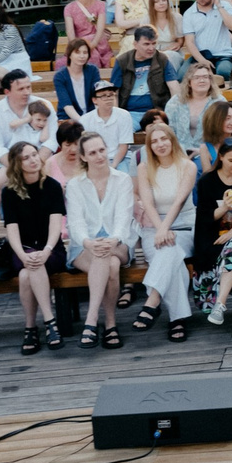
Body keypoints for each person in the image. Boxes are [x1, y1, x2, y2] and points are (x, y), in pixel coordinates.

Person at [65, 132, 136, 350]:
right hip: (84, 246)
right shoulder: (75, 185)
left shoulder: (122, 179)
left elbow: (124, 219)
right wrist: (88, 242)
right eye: (93, 152)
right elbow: (75, 223)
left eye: (102, 150)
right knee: (110, 264)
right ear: (84, 157)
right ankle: (111, 324)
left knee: (109, 256)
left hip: (119, 242)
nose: (99, 156)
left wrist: (113, 240)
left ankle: (91, 319)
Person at [130, 118, 196, 340]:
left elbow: (179, 201)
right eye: (154, 141)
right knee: (172, 257)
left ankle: (152, 301)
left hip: (185, 225)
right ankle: (177, 320)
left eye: (164, 138)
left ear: (172, 140)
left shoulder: (188, 165)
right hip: (153, 226)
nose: (160, 144)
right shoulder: (144, 167)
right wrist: (160, 229)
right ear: (149, 146)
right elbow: (147, 203)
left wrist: (165, 228)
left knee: (171, 248)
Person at [0, 140, 67, 353]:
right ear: (17, 164)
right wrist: (21, 253)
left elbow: (56, 224)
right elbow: (12, 229)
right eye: (26, 158)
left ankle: (31, 327)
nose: (33, 160)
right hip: (23, 249)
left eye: (34, 154)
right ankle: (50, 323)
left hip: (52, 249)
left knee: (29, 273)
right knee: (29, 267)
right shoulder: (9, 192)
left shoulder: (53, 186)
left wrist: (46, 251)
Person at [191, 136, 232, 326]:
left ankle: (221, 303)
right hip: (213, 236)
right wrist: (225, 207)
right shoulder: (207, 181)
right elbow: (203, 217)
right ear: (220, 157)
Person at [0, 70, 53, 160]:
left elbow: (52, 140)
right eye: (21, 89)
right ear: (7, 92)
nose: (27, 92)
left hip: (43, 158)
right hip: (11, 160)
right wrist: (19, 167)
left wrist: (37, 162)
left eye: (28, 87)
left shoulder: (44, 105)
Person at [111, 26, 180, 117]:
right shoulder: (122, 61)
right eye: (146, 44)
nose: (151, 48)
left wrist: (172, 113)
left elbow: (174, 87)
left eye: (153, 43)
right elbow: (114, 92)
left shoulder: (162, 59)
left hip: (156, 112)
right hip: (129, 113)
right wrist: (116, 116)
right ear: (135, 44)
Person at [180, 0, 232, 83]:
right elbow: (189, 42)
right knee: (182, 76)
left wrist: (219, 5)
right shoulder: (189, 13)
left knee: (224, 72)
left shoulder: (224, 6)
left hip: (223, 54)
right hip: (200, 55)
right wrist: (202, 61)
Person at [81, 79, 135, 170]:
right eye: (103, 96)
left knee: (125, 177)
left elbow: (123, 146)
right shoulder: (85, 120)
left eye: (111, 95)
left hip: (121, 158)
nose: (109, 99)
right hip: (95, 159)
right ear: (94, 100)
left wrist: (113, 165)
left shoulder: (124, 115)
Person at [62, 0, 112, 68]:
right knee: (90, 55)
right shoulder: (69, 8)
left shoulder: (100, 4)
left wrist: (93, 44)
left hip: (98, 41)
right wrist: (75, 47)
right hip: (79, 42)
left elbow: (100, 28)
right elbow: (70, 30)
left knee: (94, 54)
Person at [52, 37, 102, 119]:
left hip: (91, 116)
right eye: (77, 52)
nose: (82, 56)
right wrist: (82, 122)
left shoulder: (93, 71)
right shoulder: (60, 76)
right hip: (68, 118)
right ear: (70, 55)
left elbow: (97, 95)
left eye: (85, 52)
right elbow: (66, 105)